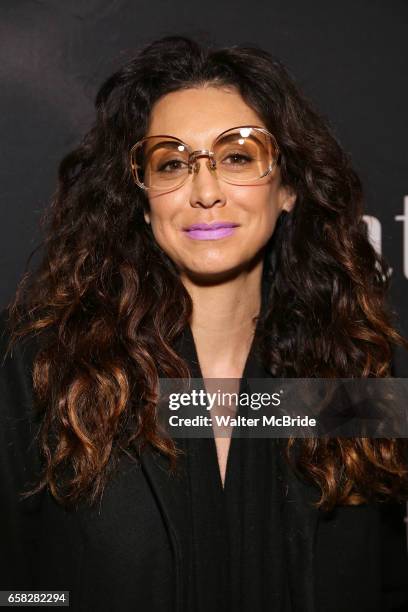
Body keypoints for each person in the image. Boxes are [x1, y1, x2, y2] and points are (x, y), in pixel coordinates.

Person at [1, 34, 408, 612]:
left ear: (288, 185)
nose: (206, 190)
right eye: (172, 163)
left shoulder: (356, 367)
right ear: (143, 201)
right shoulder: (43, 364)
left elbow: (385, 585)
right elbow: (15, 589)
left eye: (238, 156)